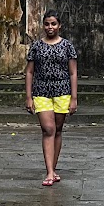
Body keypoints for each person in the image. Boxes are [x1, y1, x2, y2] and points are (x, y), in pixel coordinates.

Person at [24, 10, 79, 186]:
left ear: (59, 26)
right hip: (41, 91)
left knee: (58, 129)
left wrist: (74, 98)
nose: (50, 27)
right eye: (47, 24)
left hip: (62, 91)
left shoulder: (67, 46)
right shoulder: (36, 46)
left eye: (53, 24)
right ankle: (49, 172)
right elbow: (29, 72)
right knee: (48, 129)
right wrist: (28, 97)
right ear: (43, 25)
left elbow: (73, 73)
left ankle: (53, 169)